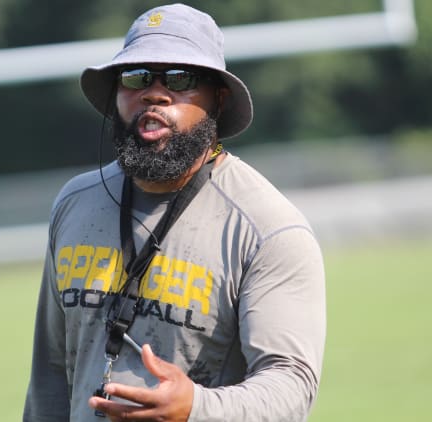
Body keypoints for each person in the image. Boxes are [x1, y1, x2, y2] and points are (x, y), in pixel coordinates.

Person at [23, 3, 326, 421]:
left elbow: (291, 387)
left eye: (181, 78)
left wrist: (195, 408)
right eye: (136, 76)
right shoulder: (75, 204)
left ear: (218, 99)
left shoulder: (268, 228)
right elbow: (51, 375)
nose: (154, 92)